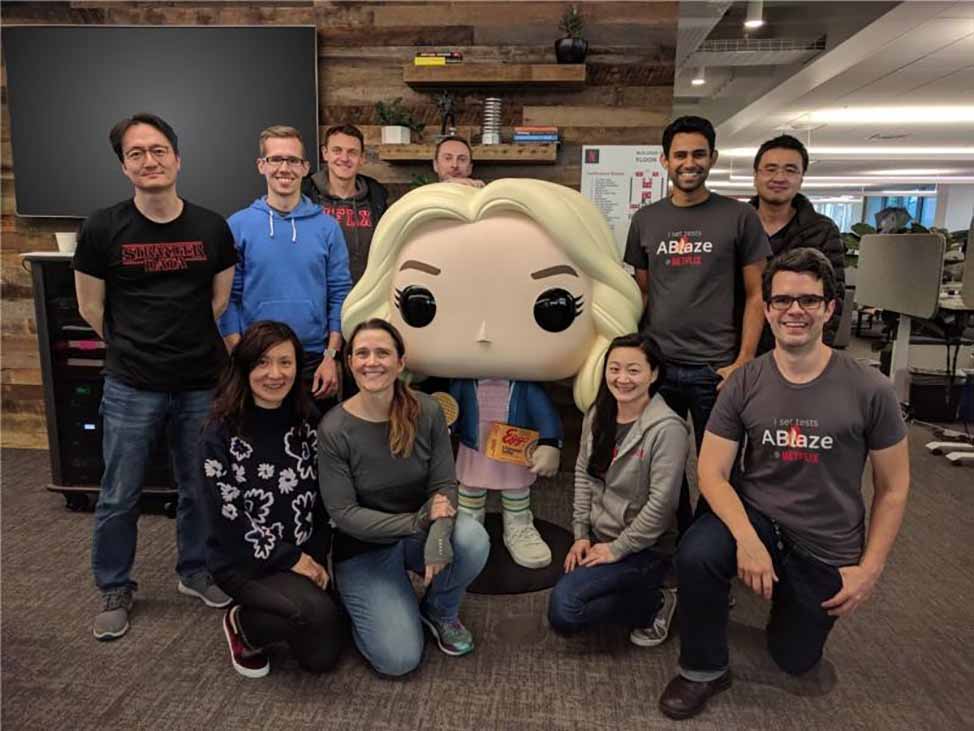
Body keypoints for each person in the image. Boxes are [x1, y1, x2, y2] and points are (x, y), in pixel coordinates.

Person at [658, 248, 910, 720]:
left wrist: (870, 569)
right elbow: (710, 472)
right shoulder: (744, 382)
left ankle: (788, 606)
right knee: (696, 552)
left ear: (830, 308)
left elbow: (893, 488)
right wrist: (747, 540)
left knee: (795, 659)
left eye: (809, 300)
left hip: (826, 535)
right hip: (760, 515)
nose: (796, 310)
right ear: (768, 308)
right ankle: (703, 669)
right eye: (784, 300)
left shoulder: (869, 388)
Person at [340, 179, 643, 571]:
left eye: (554, 305)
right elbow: (440, 409)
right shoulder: (456, 384)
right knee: (469, 493)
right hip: (472, 445)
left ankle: (519, 524)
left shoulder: (526, 388)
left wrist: (550, 443)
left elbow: (546, 415)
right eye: (420, 304)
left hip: (515, 450)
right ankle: (469, 528)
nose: (484, 334)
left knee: (517, 493)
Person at [74, 112, 238, 641]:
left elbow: (218, 300)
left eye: (158, 149)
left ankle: (194, 570)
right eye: (136, 153)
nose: (150, 159)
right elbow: (90, 308)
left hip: (199, 382)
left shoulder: (212, 227)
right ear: (125, 167)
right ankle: (115, 585)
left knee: (197, 487)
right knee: (119, 493)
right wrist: (136, 347)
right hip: (130, 385)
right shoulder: (102, 227)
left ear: (178, 157)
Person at [624, 115, 772, 533]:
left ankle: (710, 551)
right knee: (661, 464)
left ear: (713, 158)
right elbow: (644, 295)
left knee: (719, 471)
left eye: (698, 154)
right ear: (664, 161)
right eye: (680, 155)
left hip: (716, 369)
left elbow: (756, 295)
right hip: (661, 367)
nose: (689, 163)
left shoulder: (739, 217)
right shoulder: (646, 220)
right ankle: (677, 538)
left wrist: (743, 360)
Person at [317, 318, 490, 676]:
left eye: (383, 352)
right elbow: (344, 513)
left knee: (472, 538)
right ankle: (364, 604)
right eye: (361, 353)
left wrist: (438, 536)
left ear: (400, 361)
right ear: (349, 362)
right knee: (398, 660)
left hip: (419, 535)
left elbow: (444, 484)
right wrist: (416, 522)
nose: (371, 361)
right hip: (364, 549)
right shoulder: (334, 429)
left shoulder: (426, 410)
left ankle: (438, 609)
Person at [202, 321, 344, 678]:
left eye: (285, 362)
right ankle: (243, 626)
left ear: (298, 367)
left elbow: (321, 501)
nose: (275, 374)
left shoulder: (309, 421)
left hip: (300, 554)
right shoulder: (220, 432)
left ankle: (290, 607)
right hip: (243, 560)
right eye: (262, 363)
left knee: (323, 655)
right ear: (245, 367)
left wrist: (315, 556)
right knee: (316, 618)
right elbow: (227, 519)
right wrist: (293, 558)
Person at [548, 333, 688, 646]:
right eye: (614, 368)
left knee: (566, 610)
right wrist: (580, 534)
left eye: (634, 370)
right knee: (567, 604)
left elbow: (661, 505)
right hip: (600, 534)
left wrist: (616, 549)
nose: (622, 378)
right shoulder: (599, 413)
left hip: (644, 547)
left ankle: (658, 600)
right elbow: (583, 475)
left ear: (653, 374)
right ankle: (634, 590)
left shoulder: (668, 429)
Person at [219, 125, 352, 401]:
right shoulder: (238, 225)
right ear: (261, 166)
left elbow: (340, 295)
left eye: (293, 160)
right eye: (276, 159)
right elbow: (226, 299)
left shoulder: (328, 228)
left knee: (314, 442)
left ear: (305, 168)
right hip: (257, 360)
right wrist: (240, 355)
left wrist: (331, 356)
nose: (284, 168)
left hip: (315, 361)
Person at [750, 134, 845, 351]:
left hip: (796, 348)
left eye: (790, 170)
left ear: (801, 178)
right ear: (756, 175)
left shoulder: (822, 231)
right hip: (738, 352)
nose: (779, 177)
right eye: (770, 169)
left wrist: (817, 360)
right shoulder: (736, 226)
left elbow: (833, 301)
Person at [302, 124, 389, 285]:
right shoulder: (304, 196)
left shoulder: (377, 198)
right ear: (325, 153)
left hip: (363, 298)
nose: (344, 158)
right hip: (318, 299)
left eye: (352, 152)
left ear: (362, 158)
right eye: (337, 150)